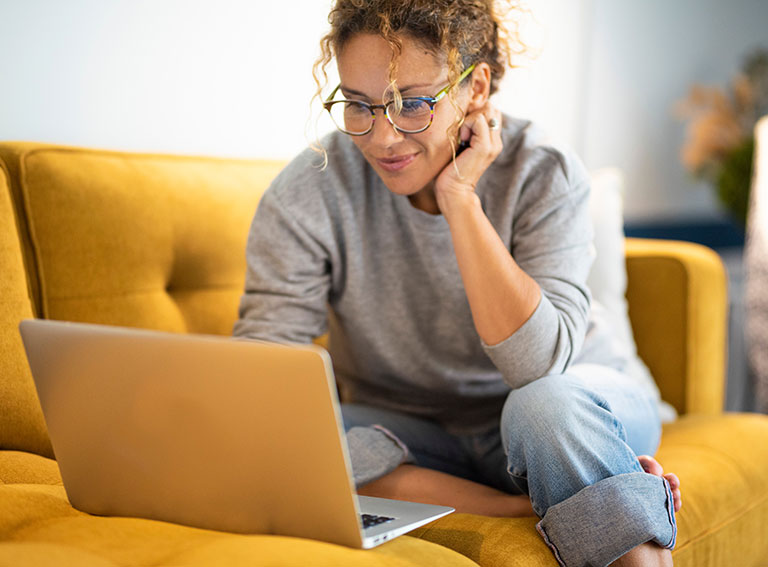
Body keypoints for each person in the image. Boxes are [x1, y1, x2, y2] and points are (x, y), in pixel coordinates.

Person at [234, 1, 682, 565]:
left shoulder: (542, 170)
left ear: (476, 89)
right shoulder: (309, 191)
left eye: (413, 103)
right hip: (413, 436)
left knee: (544, 408)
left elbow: (537, 367)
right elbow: (260, 376)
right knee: (271, 435)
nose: (382, 137)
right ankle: (512, 503)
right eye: (358, 105)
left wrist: (460, 201)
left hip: (563, 411)